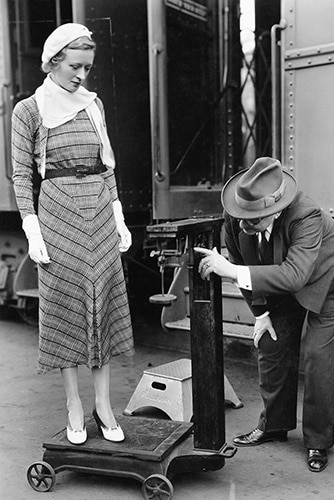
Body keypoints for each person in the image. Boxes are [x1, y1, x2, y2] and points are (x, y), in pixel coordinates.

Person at [195, 157, 334, 472]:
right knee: (271, 343)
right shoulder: (237, 216)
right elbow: (244, 267)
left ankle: (318, 440)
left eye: (252, 219)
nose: (243, 223)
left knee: (317, 355)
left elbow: (294, 276)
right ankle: (274, 426)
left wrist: (230, 270)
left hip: (333, 276)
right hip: (288, 276)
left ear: (275, 210)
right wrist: (261, 313)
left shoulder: (305, 214)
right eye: (240, 216)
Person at [12, 23, 134, 445]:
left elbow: (107, 164)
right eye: (75, 66)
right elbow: (21, 176)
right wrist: (32, 226)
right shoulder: (29, 110)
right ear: (53, 62)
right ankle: (73, 406)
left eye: (88, 68)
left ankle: (102, 404)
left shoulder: (92, 104)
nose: (82, 75)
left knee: (101, 302)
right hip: (57, 210)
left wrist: (117, 213)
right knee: (65, 308)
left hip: (98, 207)